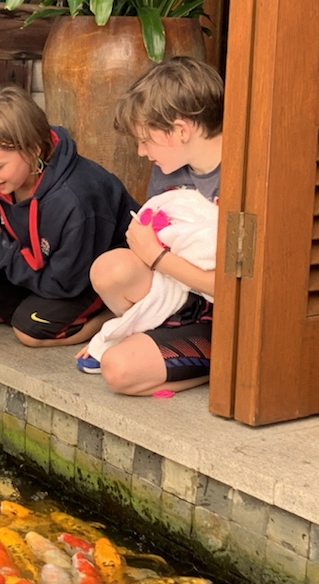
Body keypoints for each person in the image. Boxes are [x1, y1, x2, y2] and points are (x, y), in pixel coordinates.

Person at [0, 84, 139, 350]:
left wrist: (1, 250)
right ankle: (36, 304)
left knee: (30, 329)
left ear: (33, 150)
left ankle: (113, 318)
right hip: (36, 265)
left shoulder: (75, 198)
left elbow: (64, 285)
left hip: (87, 278)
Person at [76, 56, 224, 396]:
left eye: (146, 140)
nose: (142, 152)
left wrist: (156, 256)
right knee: (108, 269)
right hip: (178, 298)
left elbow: (234, 287)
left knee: (118, 370)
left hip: (226, 314)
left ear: (181, 130)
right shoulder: (169, 170)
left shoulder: (245, 173)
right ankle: (147, 337)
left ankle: (216, 367)